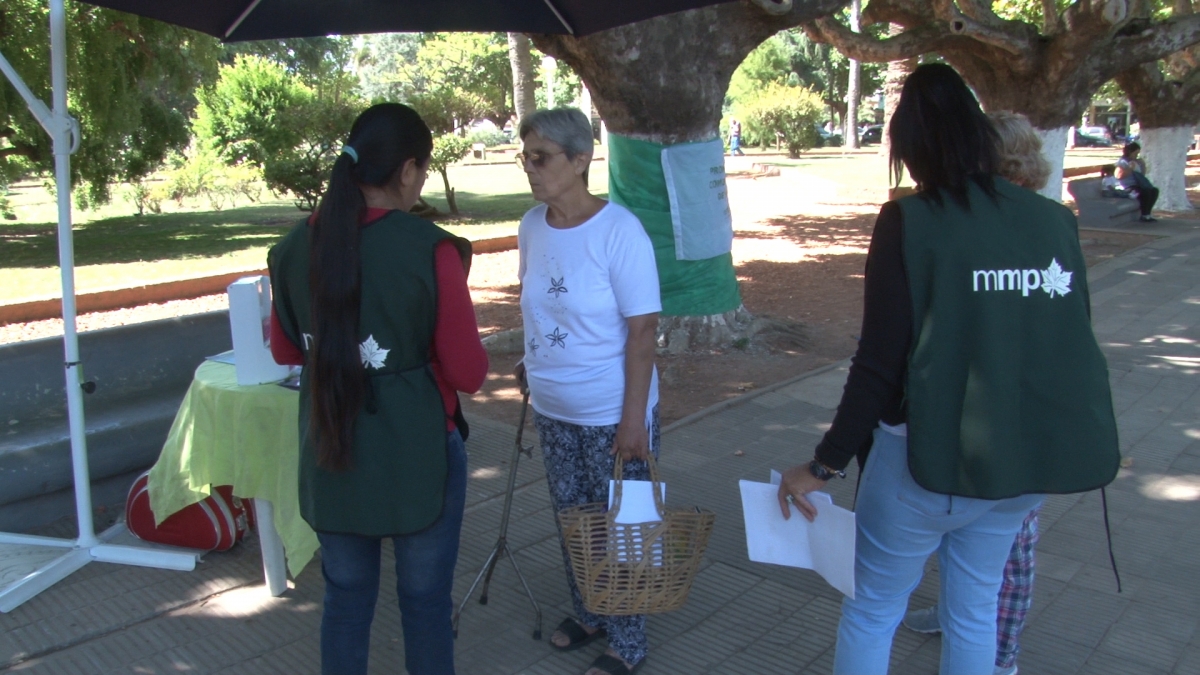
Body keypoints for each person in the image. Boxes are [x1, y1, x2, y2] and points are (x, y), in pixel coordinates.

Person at [775, 64, 1119, 675]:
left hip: (924, 463)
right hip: (1023, 465)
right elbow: (1066, 342)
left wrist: (823, 464)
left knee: (874, 608)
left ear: (909, 147)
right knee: (975, 609)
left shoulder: (910, 221)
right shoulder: (1052, 221)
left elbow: (878, 362)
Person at [268, 103, 488, 675]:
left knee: (344, 599)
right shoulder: (430, 248)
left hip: (330, 449)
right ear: (410, 170)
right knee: (424, 604)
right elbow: (468, 372)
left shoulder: (292, 247)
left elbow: (286, 351)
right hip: (416, 453)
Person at [901, 110, 1053, 675]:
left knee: (1010, 552)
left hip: (1010, 416)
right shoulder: (1002, 221)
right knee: (973, 542)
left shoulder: (1032, 226)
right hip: (978, 411)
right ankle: (957, 615)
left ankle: (1002, 654)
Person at [513, 107, 661, 675]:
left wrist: (633, 420)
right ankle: (592, 611)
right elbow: (536, 302)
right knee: (574, 518)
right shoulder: (531, 225)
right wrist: (532, 361)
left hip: (611, 410)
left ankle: (629, 640)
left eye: (541, 157)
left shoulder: (618, 230)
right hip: (554, 406)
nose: (530, 168)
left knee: (625, 524)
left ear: (580, 160)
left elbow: (643, 329)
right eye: (525, 156)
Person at [1115, 141, 1159, 221]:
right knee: (1145, 192)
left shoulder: (1135, 162)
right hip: (1127, 187)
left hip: (1137, 185)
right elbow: (1118, 176)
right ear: (1130, 152)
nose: (1136, 156)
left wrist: (1143, 165)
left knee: (1154, 191)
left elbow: (1142, 176)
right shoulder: (1122, 162)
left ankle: (1147, 214)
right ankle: (1144, 215)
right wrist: (1130, 169)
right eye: (1135, 154)